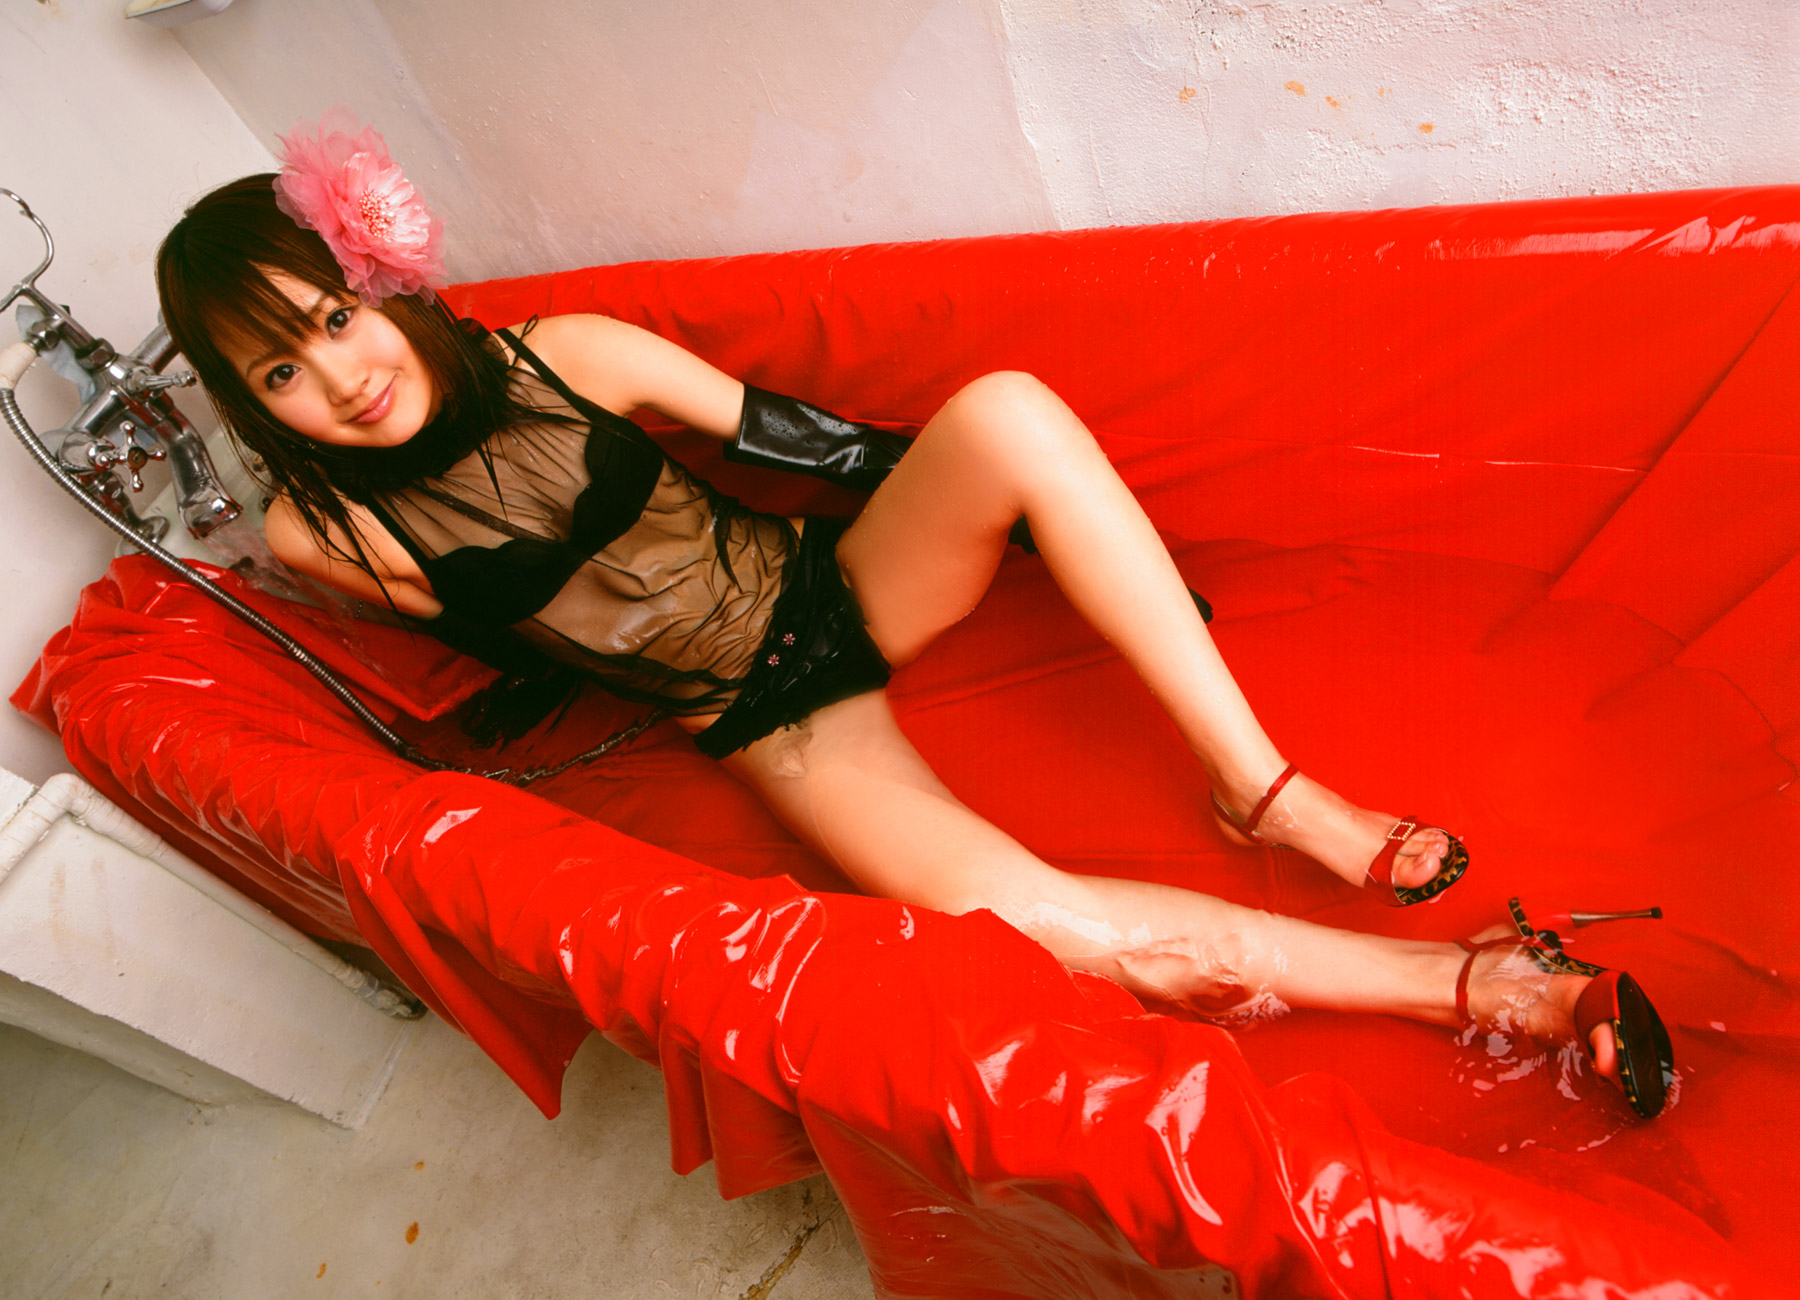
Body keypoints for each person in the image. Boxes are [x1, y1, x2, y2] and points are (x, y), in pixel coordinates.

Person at [153, 113, 1671, 1118]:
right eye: (281, 372)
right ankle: (1495, 987)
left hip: (831, 586)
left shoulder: (571, 354)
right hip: (769, 722)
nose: (339, 377)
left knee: (1006, 411)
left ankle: (1262, 787)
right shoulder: (318, 531)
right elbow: (498, 632)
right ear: (252, 404)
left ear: (378, 280)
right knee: (1056, 937)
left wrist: (1062, 550)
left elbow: (819, 449)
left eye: (332, 318)